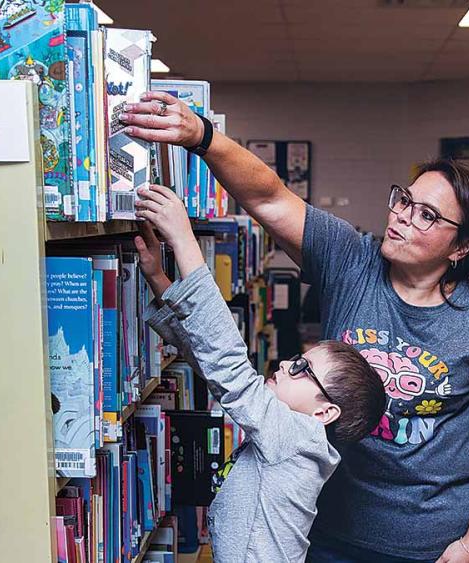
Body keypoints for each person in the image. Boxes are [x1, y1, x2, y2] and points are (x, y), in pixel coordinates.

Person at [122, 93, 469, 563]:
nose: (401, 217)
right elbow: (269, 197)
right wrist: (203, 138)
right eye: (405, 200)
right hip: (333, 529)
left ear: (461, 248)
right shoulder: (352, 260)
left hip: (435, 545)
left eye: (428, 215)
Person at [133, 184, 386, 562]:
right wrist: (160, 282)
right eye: (296, 359)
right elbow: (213, 366)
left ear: (324, 412)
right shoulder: (292, 436)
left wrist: (184, 240)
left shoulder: (299, 439)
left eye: (303, 369)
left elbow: (229, 366)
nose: (286, 364)